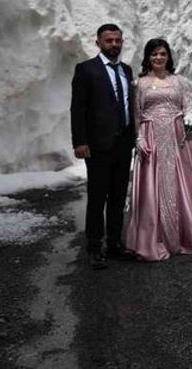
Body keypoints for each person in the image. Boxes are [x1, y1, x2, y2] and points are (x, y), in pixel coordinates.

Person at [124, 38, 192, 261]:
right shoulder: (140, 84)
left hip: (176, 138)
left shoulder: (180, 81)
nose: (158, 58)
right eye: (154, 54)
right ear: (147, 57)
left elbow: (188, 108)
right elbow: (136, 115)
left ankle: (183, 233)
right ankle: (154, 237)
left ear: (168, 56)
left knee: (179, 184)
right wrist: (138, 138)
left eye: (162, 53)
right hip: (151, 137)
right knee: (151, 188)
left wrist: (190, 127)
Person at [70, 24, 137, 270]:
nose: (114, 45)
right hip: (98, 145)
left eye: (118, 40)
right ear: (98, 42)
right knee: (98, 197)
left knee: (118, 197)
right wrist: (80, 142)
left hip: (123, 144)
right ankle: (94, 246)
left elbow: (130, 107)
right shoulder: (86, 69)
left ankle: (114, 244)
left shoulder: (126, 70)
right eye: (109, 40)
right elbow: (78, 108)